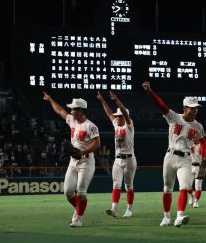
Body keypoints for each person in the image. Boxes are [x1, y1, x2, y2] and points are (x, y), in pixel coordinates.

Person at [142, 81, 206, 227]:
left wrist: (205, 157)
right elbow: (161, 105)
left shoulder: (198, 126)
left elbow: (203, 141)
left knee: (184, 187)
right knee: (167, 188)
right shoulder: (174, 117)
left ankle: (180, 216)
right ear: (185, 108)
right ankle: (166, 217)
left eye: (197, 108)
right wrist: (150, 92)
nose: (195, 111)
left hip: (186, 158)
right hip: (170, 156)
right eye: (192, 108)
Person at [43, 93, 100, 227]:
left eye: (74, 109)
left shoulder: (90, 126)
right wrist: (51, 100)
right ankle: (78, 208)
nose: (71, 111)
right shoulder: (72, 120)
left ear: (80, 111)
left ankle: (78, 218)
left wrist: (82, 152)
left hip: (86, 161)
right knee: (68, 191)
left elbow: (97, 144)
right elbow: (60, 110)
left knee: (81, 191)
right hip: (73, 161)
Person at [97, 91, 137, 218]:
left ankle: (129, 209)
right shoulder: (116, 125)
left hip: (130, 159)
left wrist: (116, 100)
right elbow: (109, 113)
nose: (117, 117)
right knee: (116, 184)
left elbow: (125, 112)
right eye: (118, 116)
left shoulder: (129, 126)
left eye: (119, 116)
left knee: (129, 185)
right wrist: (102, 101)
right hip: (118, 159)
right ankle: (114, 208)